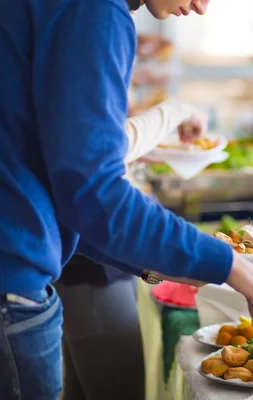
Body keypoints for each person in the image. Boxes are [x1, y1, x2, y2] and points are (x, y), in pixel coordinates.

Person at [0, 0, 253, 399]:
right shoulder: (93, 10)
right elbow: (93, 192)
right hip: (1, 280)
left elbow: (61, 189)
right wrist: (229, 265)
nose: (201, 7)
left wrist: (178, 265)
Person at [56, 98, 207, 400]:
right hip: (90, 272)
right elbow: (96, 152)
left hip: (90, 263)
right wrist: (181, 107)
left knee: (81, 388)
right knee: (119, 390)